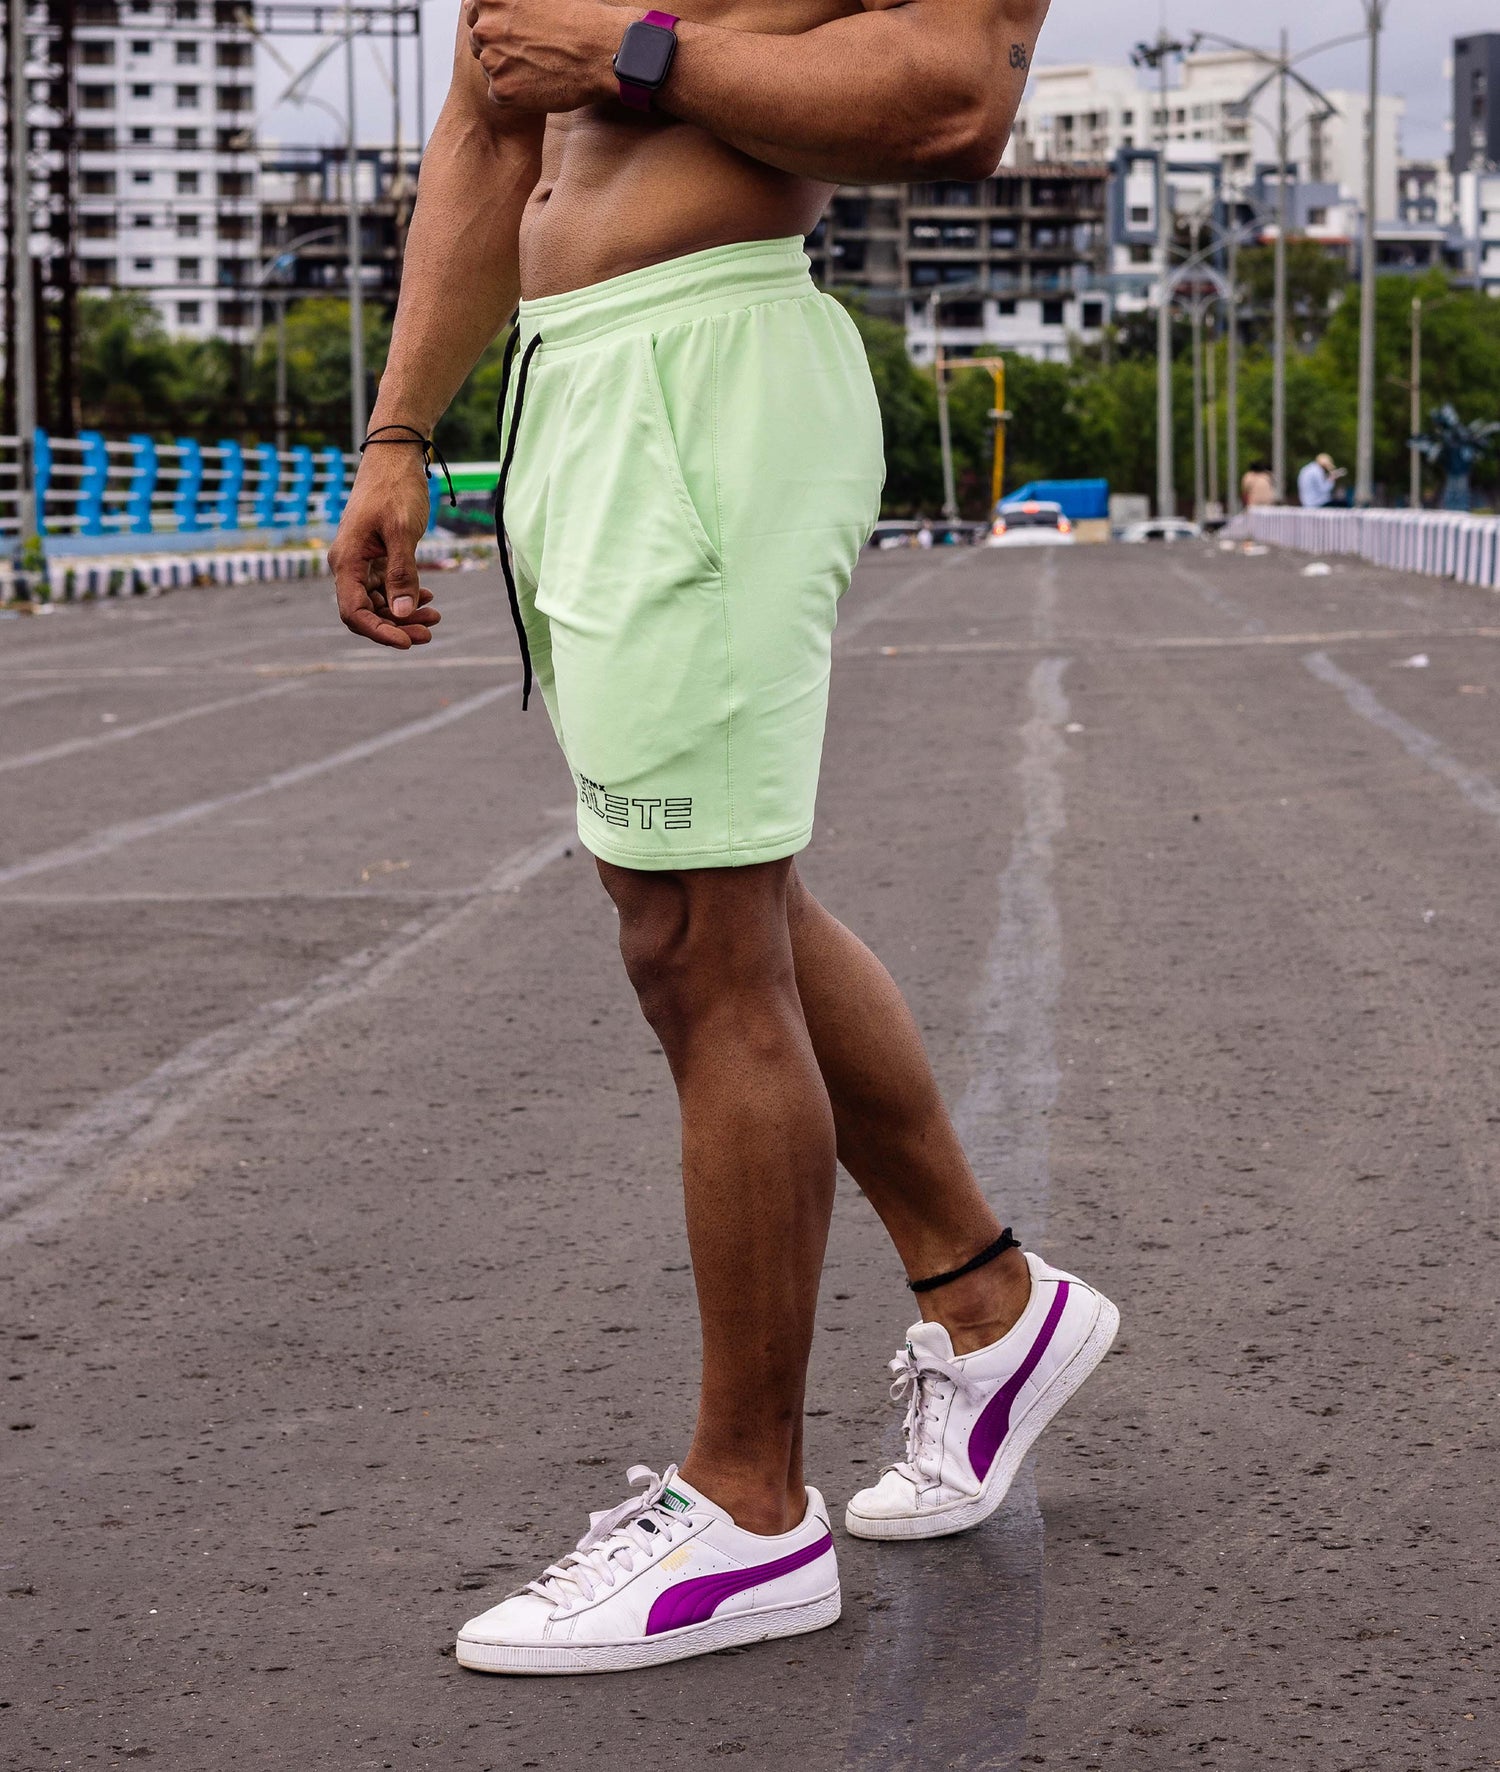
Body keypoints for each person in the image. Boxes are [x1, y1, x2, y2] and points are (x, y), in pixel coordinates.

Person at [329, 0, 1119, 1677]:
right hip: (570, 377)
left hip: (708, 367)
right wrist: (401, 431)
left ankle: (749, 1511)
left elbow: (955, 98)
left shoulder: (655, 51)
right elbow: (490, 116)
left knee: (699, 936)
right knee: (705, 899)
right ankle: (988, 1304)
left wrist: (639, 55)